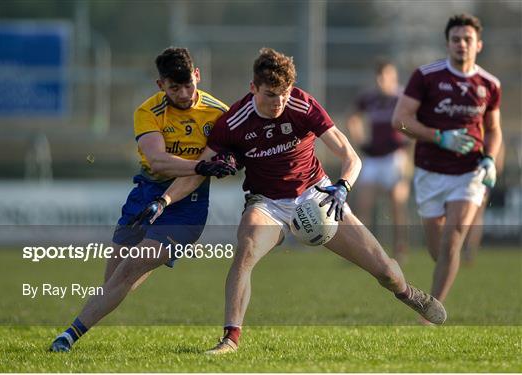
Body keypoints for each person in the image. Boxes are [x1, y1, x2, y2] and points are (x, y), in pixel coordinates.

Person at [158, 48, 446, 354]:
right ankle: (231, 339)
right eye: (270, 94)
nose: (279, 102)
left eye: (284, 93)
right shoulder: (233, 123)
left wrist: (343, 186)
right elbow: (197, 172)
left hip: (318, 195)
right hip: (267, 203)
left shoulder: (302, 104)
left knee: (386, 272)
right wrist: (163, 200)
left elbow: (350, 156)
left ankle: (408, 293)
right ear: (253, 88)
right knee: (246, 250)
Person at [49, 47, 236, 352]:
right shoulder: (147, 112)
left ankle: (67, 336)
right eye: (175, 88)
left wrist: (217, 166)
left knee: (128, 269)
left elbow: (203, 172)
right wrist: (201, 165)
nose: (185, 93)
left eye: (189, 84)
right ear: (160, 85)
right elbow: (159, 161)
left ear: (198, 75)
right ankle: (86, 322)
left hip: (187, 206)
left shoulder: (219, 114)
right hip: (145, 194)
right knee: (113, 280)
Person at [392, 14, 502, 316]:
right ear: (447, 43)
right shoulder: (426, 77)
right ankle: (440, 279)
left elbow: (493, 129)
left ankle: (430, 313)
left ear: (478, 44)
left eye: (468, 39)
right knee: (438, 249)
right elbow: (400, 120)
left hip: (468, 172)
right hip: (429, 170)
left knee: (453, 240)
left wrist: (490, 158)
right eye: (456, 39)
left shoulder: (489, 84)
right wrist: (440, 137)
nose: (462, 44)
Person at [346, 60, 410, 263]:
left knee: (397, 205)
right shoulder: (369, 98)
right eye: (379, 77)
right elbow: (352, 118)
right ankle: (360, 251)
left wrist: (409, 149)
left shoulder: (402, 97)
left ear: (394, 77)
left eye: (387, 76)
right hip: (373, 158)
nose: (383, 81)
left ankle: (400, 250)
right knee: (362, 205)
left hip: (395, 157)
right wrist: (361, 141)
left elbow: (417, 121)